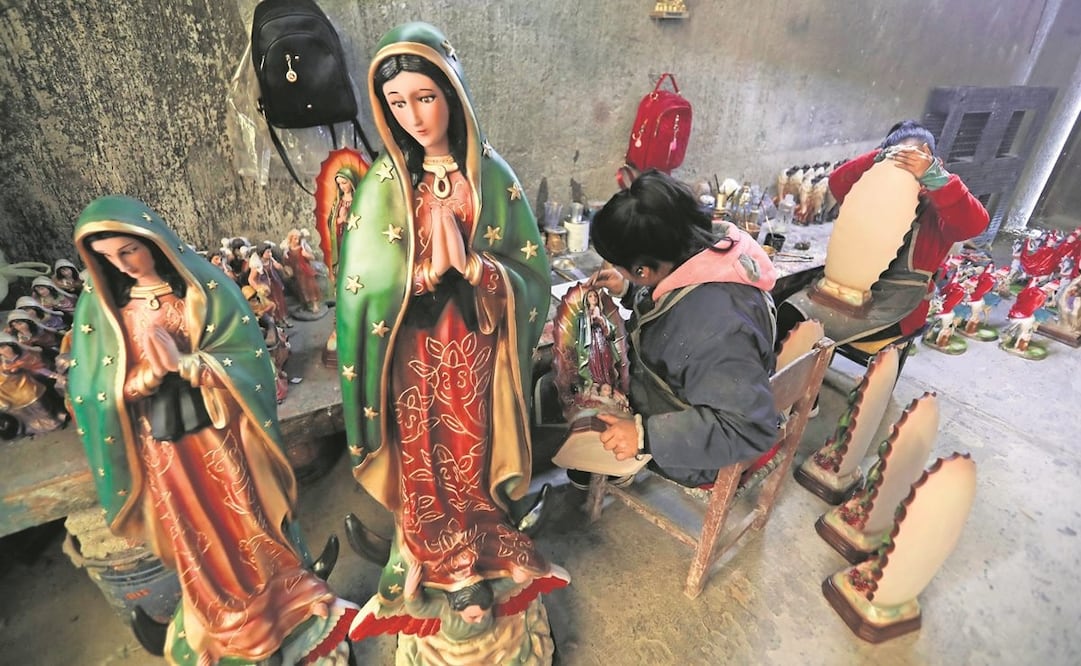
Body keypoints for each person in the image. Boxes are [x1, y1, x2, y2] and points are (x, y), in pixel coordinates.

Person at [336, 21, 563, 616]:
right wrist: (419, 277)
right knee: (422, 446)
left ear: (453, 92)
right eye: (396, 102)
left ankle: (480, 539)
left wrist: (479, 269)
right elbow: (361, 284)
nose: (414, 116)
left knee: (472, 440)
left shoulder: (492, 175)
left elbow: (531, 274)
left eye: (426, 97)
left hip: (475, 339)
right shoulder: (384, 184)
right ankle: (432, 549)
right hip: (409, 347)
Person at [68, 196, 355, 665]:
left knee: (245, 513)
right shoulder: (104, 311)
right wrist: (139, 381)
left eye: (127, 251)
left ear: (151, 242)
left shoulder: (202, 289)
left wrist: (188, 364)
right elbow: (90, 388)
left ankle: (276, 603)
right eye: (107, 259)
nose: (120, 265)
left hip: (218, 434)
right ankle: (221, 616)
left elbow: (247, 358)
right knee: (193, 527)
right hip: (164, 447)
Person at [585, 170, 781, 488]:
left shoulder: (717, 331)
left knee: (582, 404)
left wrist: (643, 435)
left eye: (624, 268)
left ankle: (621, 459)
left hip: (704, 452)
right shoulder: (707, 252)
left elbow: (749, 428)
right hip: (697, 395)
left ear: (644, 269)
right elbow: (674, 300)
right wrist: (631, 289)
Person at [778, 120, 990, 345]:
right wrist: (879, 157)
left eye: (913, 160)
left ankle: (799, 369)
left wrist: (936, 177)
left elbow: (975, 224)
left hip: (896, 306)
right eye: (899, 159)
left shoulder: (939, 206)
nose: (904, 167)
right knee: (786, 306)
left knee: (800, 325)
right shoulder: (874, 191)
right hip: (849, 290)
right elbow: (838, 182)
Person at [577, 288, 622, 390]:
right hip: (591, 341)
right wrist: (590, 320)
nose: (593, 298)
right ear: (586, 300)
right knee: (593, 360)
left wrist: (603, 323)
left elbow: (611, 329)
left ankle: (608, 384)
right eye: (590, 296)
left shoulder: (602, 313)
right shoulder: (584, 314)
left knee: (606, 359)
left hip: (602, 340)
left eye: (595, 296)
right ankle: (596, 383)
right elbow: (581, 329)